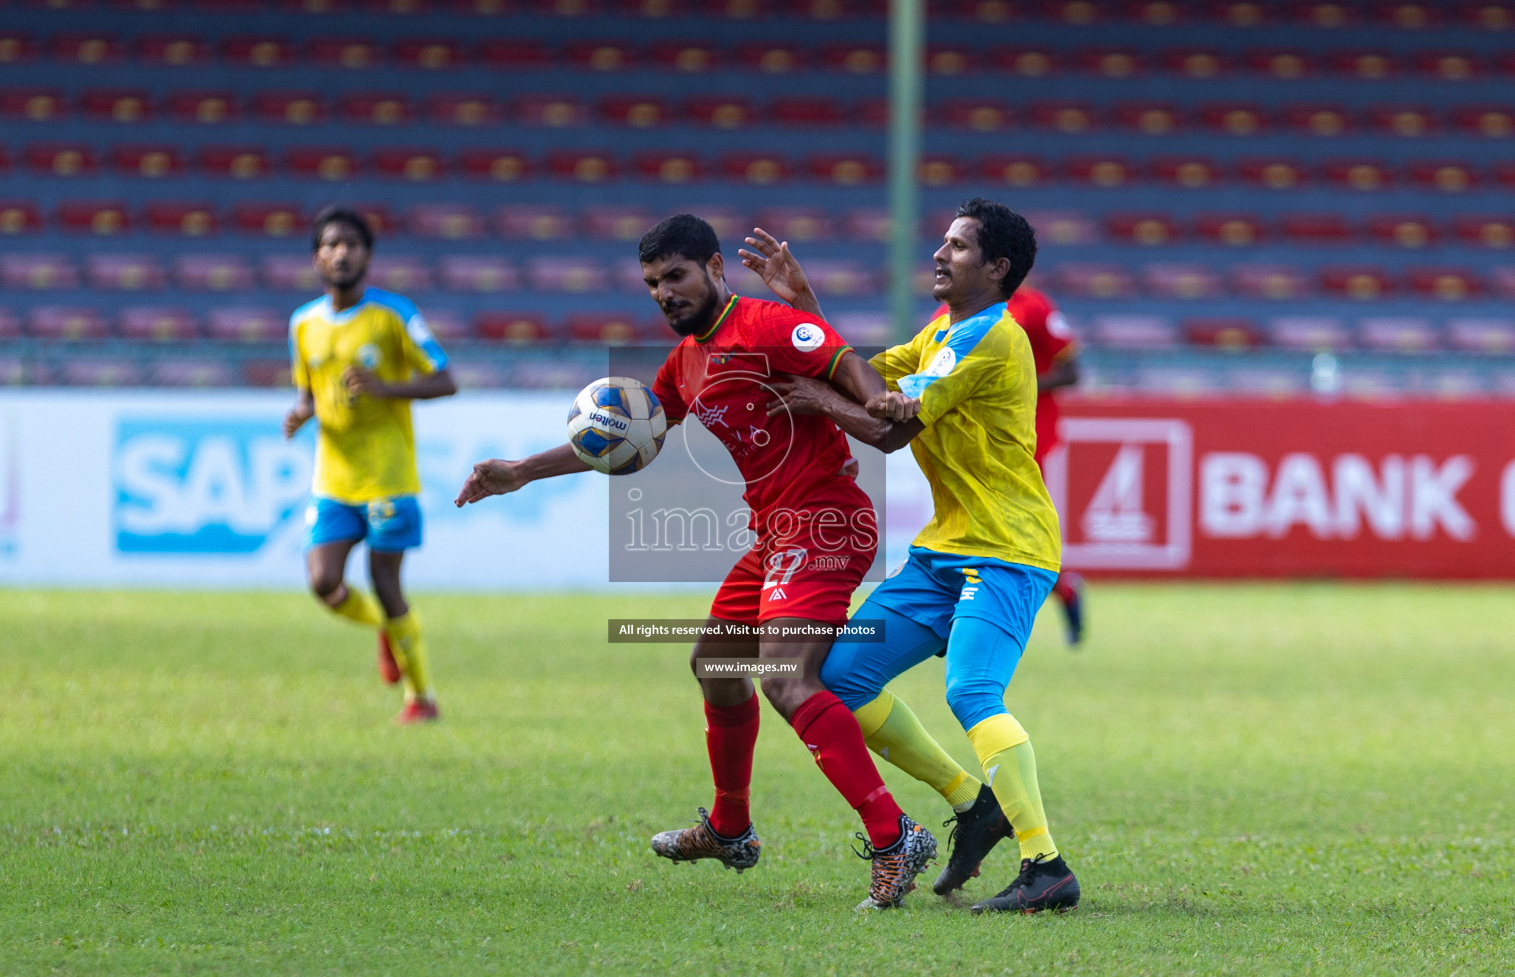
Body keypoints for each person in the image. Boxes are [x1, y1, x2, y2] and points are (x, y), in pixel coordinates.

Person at [455, 214, 935, 909]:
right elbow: (621, 437)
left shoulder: (769, 325)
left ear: (714, 268)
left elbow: (846, 368)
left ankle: (895, 838)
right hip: (775, 531)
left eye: (675, 277)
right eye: (652, 283)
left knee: (786, 679)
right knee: (716, 664)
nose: (663, 293)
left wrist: (873, 397)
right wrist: (523, 471)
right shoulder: (684, 362)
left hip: (826, 521)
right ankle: (730, 828)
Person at [740, 198, 1080, 914]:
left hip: (1007, 550)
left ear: (997, 268)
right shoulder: (941, 332)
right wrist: (804, 306)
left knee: (971, 693)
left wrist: (818, 400)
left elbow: (888, 427)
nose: (939, 253)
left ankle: (1045, 866)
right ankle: (971, 802)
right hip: (943, 551)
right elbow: (860, 377)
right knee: (839, 677)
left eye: (957, 246)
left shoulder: (990, 339)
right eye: (943, 242)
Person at [283, 205, 457, 724]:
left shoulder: (395, 315)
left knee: (386, 582)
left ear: (367, 256)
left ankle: (421, 698)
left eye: (352, 244)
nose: (341, 253)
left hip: (388, 476)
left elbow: (446, 379)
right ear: (317, 257)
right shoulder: (303, 324)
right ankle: (385, 630)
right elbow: (309, 392)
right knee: (323, 583)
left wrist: (387, 389)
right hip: (333, 479)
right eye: (331, 245)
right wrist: (300, 413)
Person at [1004, 285, 1087, 646]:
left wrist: (1013, 386)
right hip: (966, 441)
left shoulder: (1032, 306)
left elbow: (1071, 372)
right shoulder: (947, 312)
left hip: (1024, 439)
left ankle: (1064, 586)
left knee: (1018, 533)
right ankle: (1064, 585)